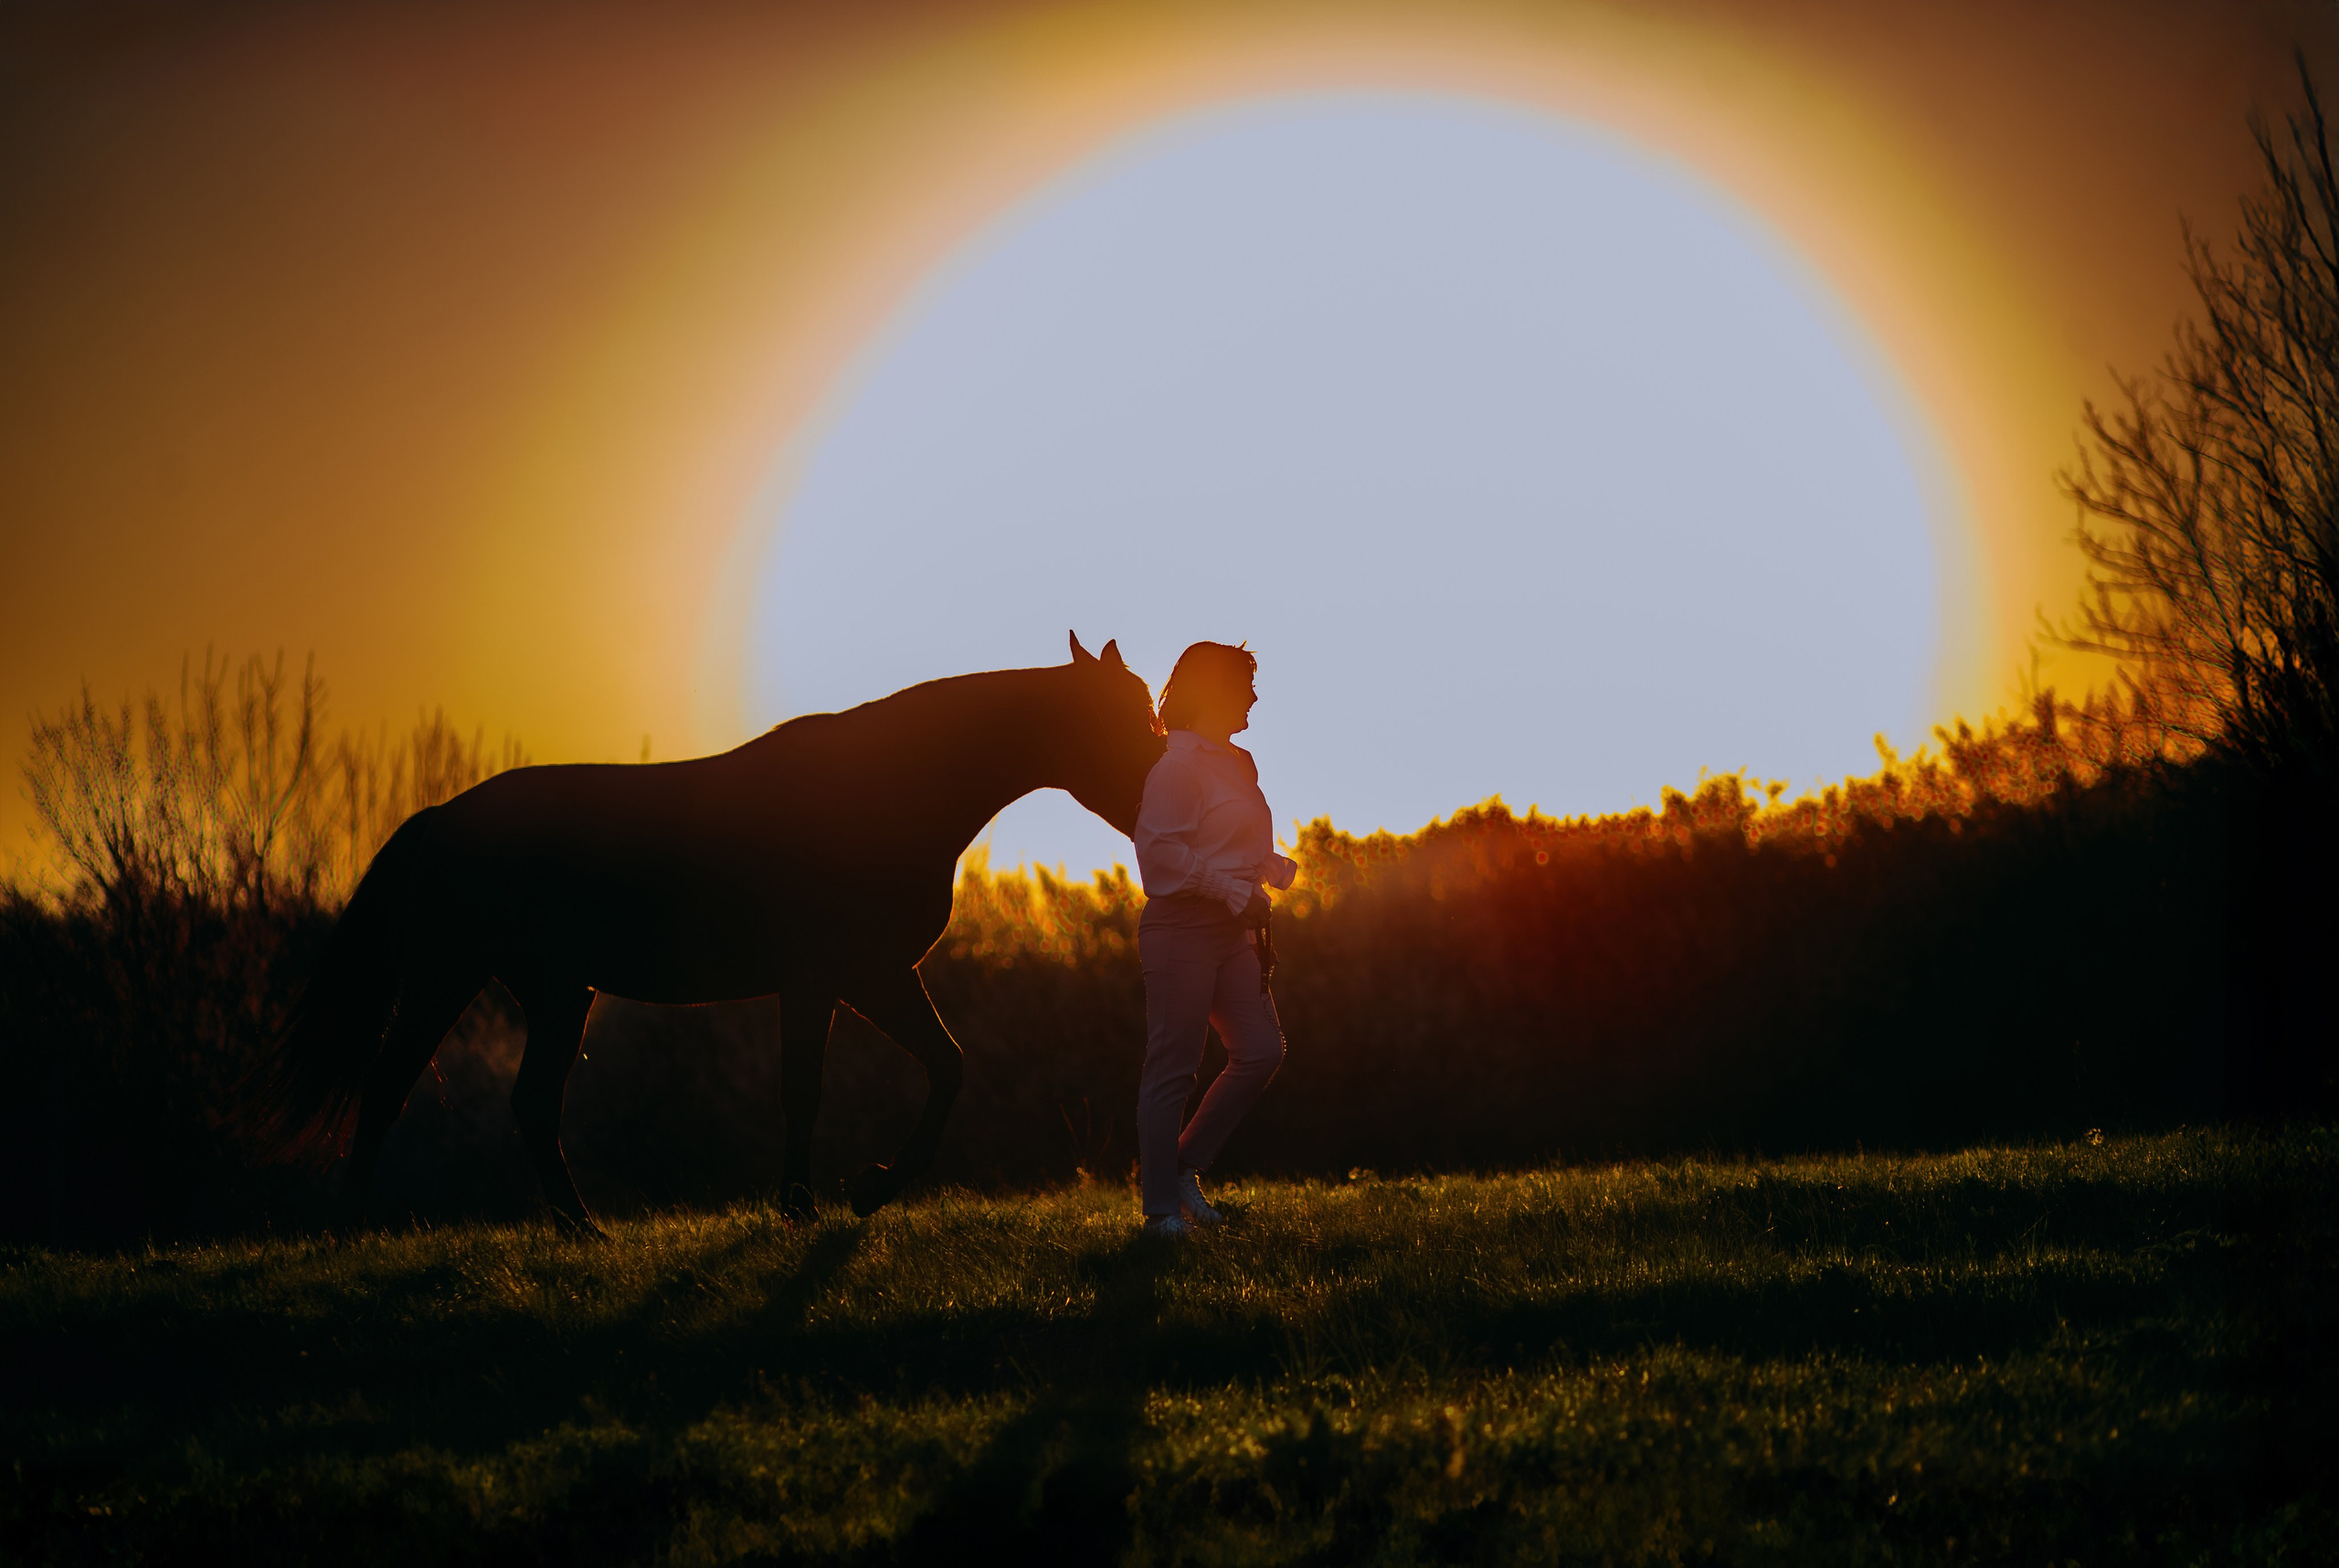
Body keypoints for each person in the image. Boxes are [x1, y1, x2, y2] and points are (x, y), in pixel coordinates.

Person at [1130, 641, 1296, 1239]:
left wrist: (1266, 866)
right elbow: (1159, 856)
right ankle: (1160, 1214)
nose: (1254, 696)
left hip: (1233, 931)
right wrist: (1230, 889)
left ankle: (1177, 1167)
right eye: (1245, 685)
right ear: (1214, 691)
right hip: (1181, 931)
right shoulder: (1175, 768)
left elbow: (1224, 840)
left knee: (1262, 1050)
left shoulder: (1239, 763)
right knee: (1173, 1067)